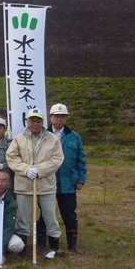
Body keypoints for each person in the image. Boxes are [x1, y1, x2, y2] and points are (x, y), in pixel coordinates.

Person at [6, 108, 64, 254]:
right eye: (32, 120)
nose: (35, 124)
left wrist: (39, 170)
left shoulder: (52, 139)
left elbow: (57, 159)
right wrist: (26, 169)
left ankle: (54, 248)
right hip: (24, 185)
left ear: (43, 122)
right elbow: (11, 157)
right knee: (23, 218)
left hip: (46, 185)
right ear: (27, 122)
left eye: (38, 121)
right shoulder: (18, 138)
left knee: (50, 217)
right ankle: (22, 249)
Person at [37, 103, 87, 253]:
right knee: (46, 213)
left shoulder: (74, 137)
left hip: (68, 183)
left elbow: (81, 159)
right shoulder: (42, 136)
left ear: (66, 118)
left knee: (69, 214)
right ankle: (41, 243)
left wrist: (80, 179)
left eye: (62, 116)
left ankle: (72, 245)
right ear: (50, 118)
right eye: (56, 116)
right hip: (47, 182)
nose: (59, 119)